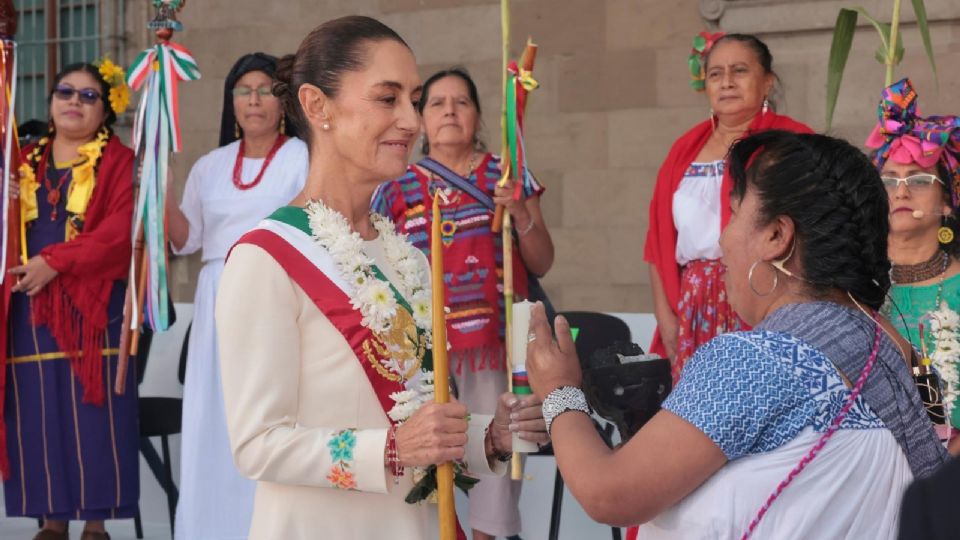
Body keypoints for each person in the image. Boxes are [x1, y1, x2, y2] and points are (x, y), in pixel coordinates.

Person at [215, 16, 547, 540]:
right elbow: (259, 444)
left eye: (414, 99)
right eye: (387, 99)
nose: (413, 121)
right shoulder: (266, 258)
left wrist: (488, 437)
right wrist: (391, 451)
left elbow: (415, 413)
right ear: (316, 105)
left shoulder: (408, 258)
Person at [528, 131, 947, 539]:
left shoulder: (756, 360)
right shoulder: (892, 348)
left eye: (734, 213)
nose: (722, 239)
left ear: (776, 236)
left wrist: (558, 390)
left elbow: (610, 494)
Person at [372, 66, 554, 540]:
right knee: (431, 459)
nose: (450, 110)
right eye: (437, 102)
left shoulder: (506, 173)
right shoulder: (396, 184)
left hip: (494, 343)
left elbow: (543, 260)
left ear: (477, 115)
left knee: (498, 448)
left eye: (462, 101)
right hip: (422, 352)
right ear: (421, 117)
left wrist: (516, 210)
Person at [166, 52, 308, 540]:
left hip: (274, 292)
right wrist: (157, 184)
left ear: (283, 100)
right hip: (215, 295)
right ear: (231, 102)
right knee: (214, 417)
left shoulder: (301, 156)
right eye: (243, 90)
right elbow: (185, 241)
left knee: (265, 410)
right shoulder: (209, 165)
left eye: (265, 89)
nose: (253, 99)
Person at [2, 61, 137, 540]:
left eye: (87, 96)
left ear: (106, 111)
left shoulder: (120, 161)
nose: (74, 102)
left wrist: (55, 261)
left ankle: (96, 526)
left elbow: (121, 232)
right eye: (65, 92)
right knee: (38, 412)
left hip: (93, 307)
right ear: (51, 102)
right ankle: (51, 521)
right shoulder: (20, 160)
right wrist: (6, 196)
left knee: (95, 413)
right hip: (28, 305)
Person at [645, 33, 812, 381]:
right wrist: (666, 316)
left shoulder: (793, 142)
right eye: (716, 73)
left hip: (765, 293)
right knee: (697, 418)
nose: (727, 82)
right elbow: (657, 241)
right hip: (693, 304)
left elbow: (811, 225)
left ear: (767, 81)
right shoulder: (684, 149)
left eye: (740, 71)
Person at [866, 78, 960, 454]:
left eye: (919, 180)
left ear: (948, 202)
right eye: (888, 181)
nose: (901, 191)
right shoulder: (854, 287)